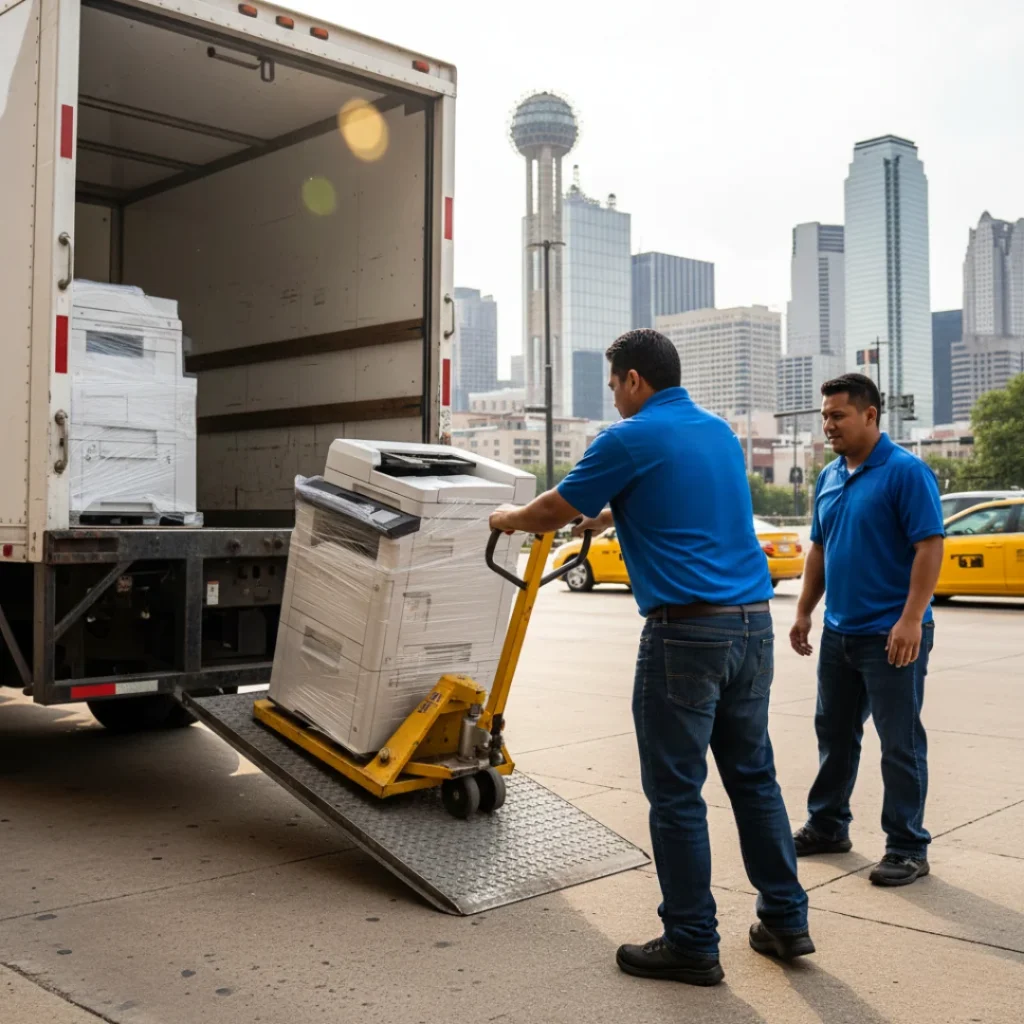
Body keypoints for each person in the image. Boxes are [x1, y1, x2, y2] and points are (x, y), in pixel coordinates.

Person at [489, 329, 811, 987]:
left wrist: (505, 517)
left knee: (675, 793)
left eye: (613, 385)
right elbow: (689, 502)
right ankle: (785, 918)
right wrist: (612, 518)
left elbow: (554, 507)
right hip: (751, 627)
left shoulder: (627, 438)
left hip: (686, 635)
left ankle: (692, 940)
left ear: (634, 379)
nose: (612, 397)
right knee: (753, 778)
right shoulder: (718, 431)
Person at [790, 373, 944, 887]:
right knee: (834, 735)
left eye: (838, 416)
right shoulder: (829, 477)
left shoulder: (905, 472)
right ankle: (828, 824)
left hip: (891, 635)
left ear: (871, 415)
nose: (828, 426)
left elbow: (929, 546)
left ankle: (907, 845)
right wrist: (805, 611)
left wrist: (909, 619)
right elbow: (819, 549)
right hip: (839, 633)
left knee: (899, 742)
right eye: (825, 417)